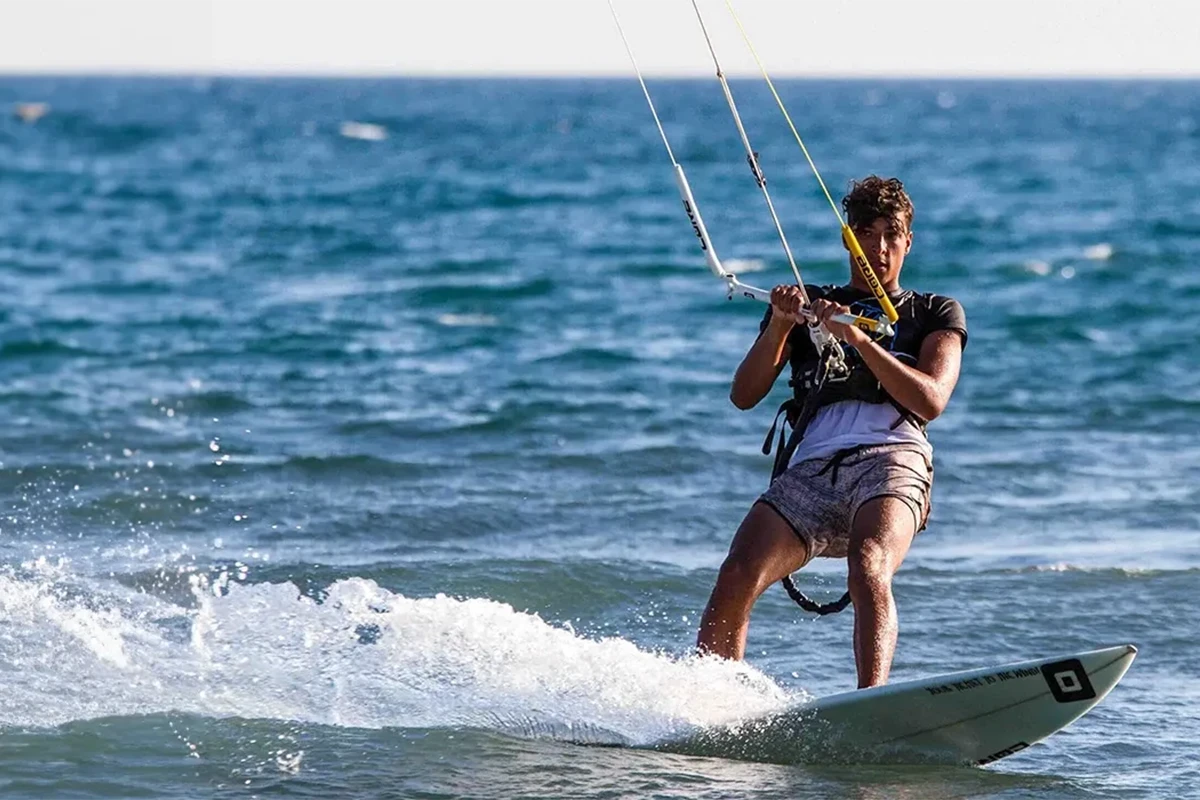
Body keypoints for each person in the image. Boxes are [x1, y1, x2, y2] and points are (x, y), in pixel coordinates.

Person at [696, 176, 967, 688]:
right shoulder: (812, 302)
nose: (879, 249)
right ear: (849, 239)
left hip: (893, 459)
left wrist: (858, 338)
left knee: (870, 564)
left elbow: (930, 401)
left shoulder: (934, 312)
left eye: (892, 235)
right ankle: (711, 700)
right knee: (736, 574)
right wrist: (780, 324)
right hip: (813, 467)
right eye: (866, 234)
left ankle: (873, 701)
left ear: (909, 241)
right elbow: (744, 395)